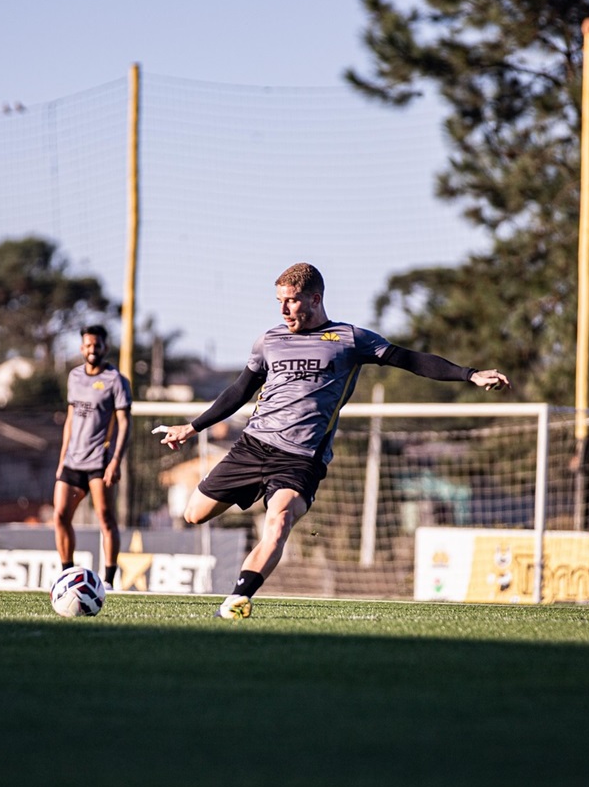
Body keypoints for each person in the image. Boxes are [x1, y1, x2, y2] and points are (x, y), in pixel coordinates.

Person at [157, 262, 510, 618]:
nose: (283, 309)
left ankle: (237, 599)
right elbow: (238, 391)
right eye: (279, 301)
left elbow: (410, 359)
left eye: (292, 301)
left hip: (300, 459)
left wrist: (470, 374)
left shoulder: (350, 340)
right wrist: (192, 427)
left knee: (278, 522)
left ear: (315, 299)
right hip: (252, 446)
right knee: (193, 514)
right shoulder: (270, 340)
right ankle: (249, 496)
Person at [54, 325, 132, 589]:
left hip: (99, 463)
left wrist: (115, 461)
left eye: (96, 345)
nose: (92, 350)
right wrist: (62, 457)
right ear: (81, 348)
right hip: (72, 462)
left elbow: (124, 422)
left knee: (106, 519)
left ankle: (108, 581)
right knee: (60, 515)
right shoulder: (74, 376)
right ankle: (67, 573)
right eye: (87, 345)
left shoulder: (116, 380)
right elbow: (69, 419)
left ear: (105, 348)